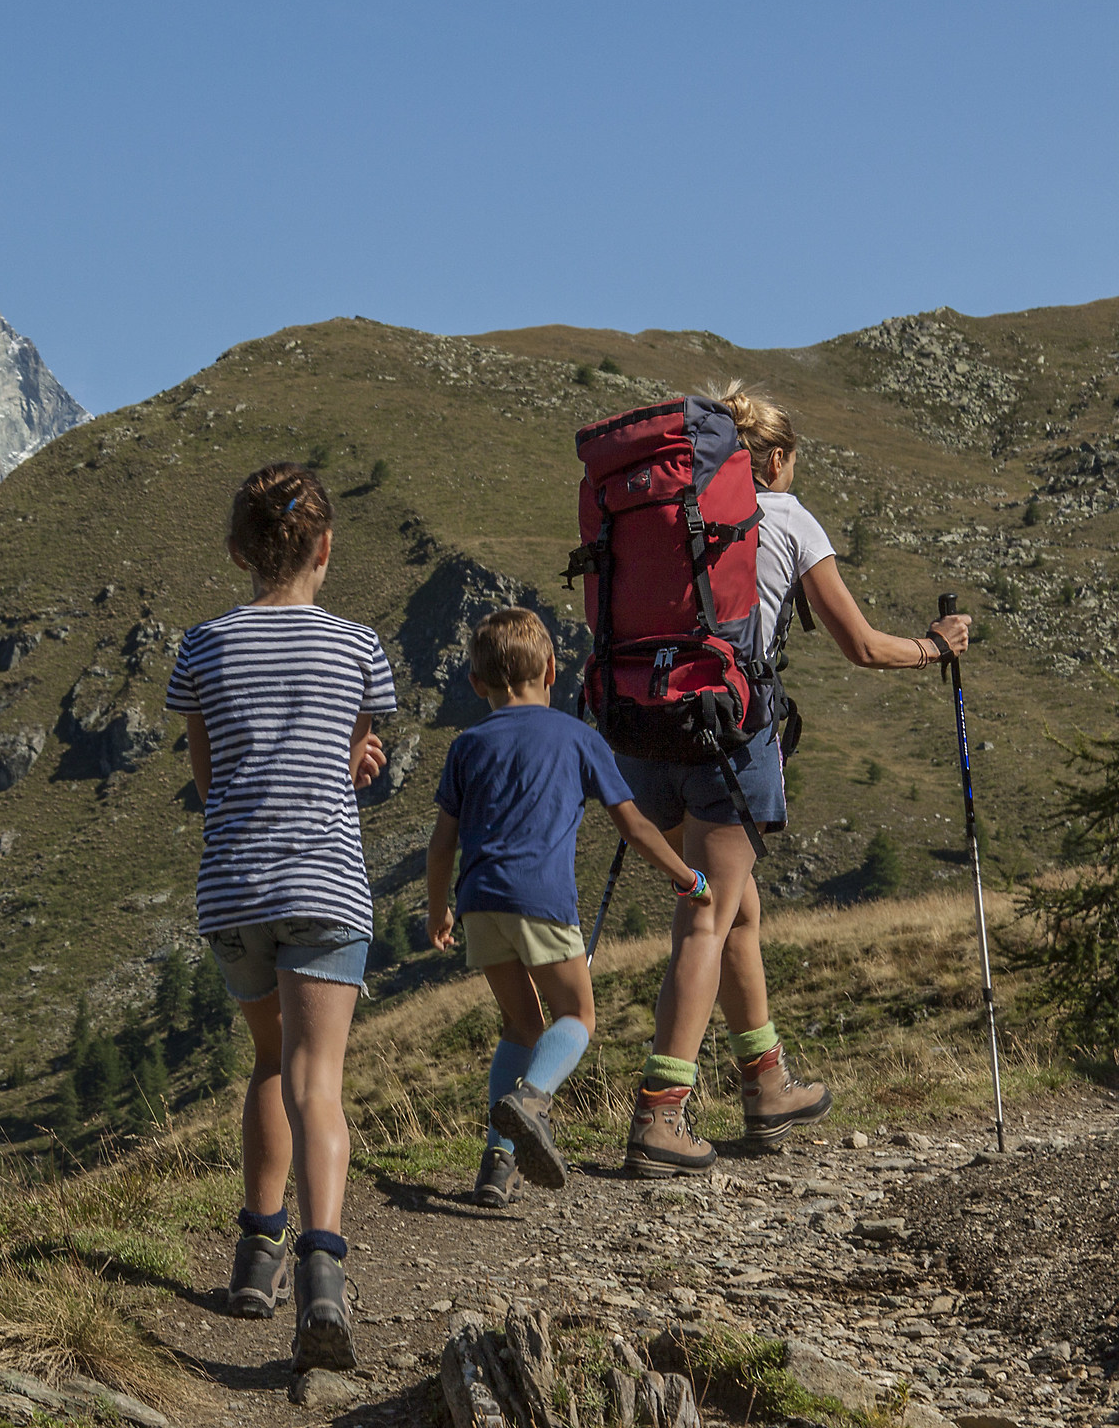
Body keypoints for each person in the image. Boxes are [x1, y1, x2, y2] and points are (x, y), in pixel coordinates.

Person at [622, 382, 973, 1176]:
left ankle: (766, 1083)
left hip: (646, 734)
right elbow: (862, 646)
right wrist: (936, 647)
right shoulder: (784, 515)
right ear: (776, 458)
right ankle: (660, 1114)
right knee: (708, 914)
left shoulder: (665, 514)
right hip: (729, 738)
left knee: (735, 909)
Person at [165, 461, 392, 1381]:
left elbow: (211, 776)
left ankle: (255, 1256)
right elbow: (345, 754)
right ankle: (323, 1279)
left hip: (234, 888)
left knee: (267, 1063)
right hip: (325, 884)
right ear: (326, 548)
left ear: (235, 551)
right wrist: (351, 764)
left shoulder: (203, 647)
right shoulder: (358, 647)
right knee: (318, 1081)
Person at [425, 610, 709, 1207]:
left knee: (521, 1025)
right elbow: (632, 824)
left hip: (478, 905)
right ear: (552, 670)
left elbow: (442, 840)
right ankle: (532, 1101)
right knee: (577, 1017)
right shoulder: (579, 738)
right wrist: (686, 877)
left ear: (477, 684)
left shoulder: (466, 746)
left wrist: (437, 910)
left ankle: (496, 1165)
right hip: (543, 902)